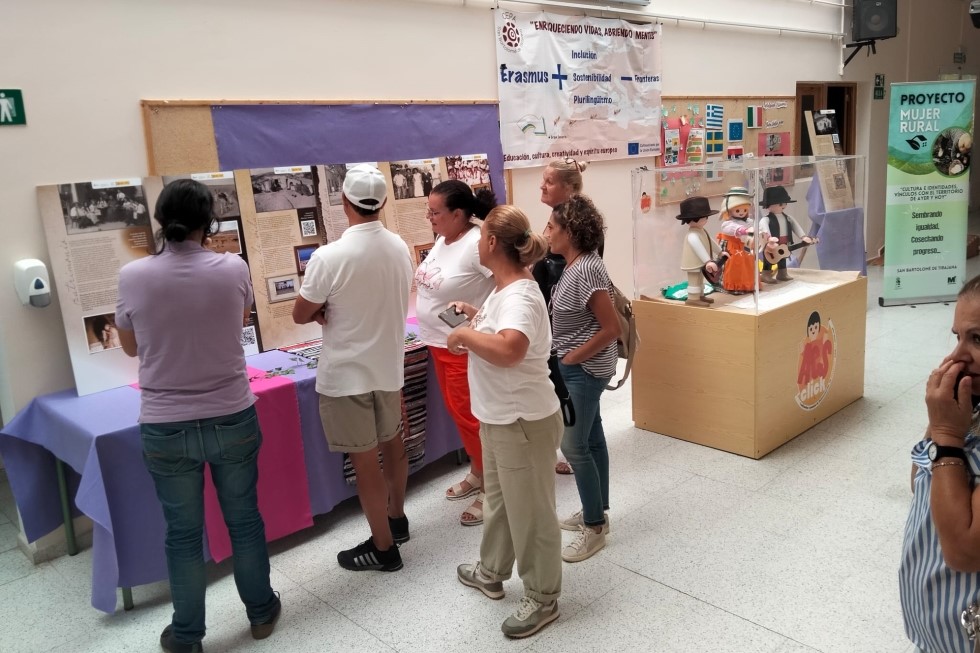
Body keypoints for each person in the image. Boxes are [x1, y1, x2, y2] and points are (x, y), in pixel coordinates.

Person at [114, 179, 281, 653]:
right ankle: (262, 612)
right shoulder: (233, 268)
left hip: (165, 423)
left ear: (161, 221)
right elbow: (239, 319)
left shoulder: (133, 276)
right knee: (244, 520)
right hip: (231, 412)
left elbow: (130, 345)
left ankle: (187, 634)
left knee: (183, 534)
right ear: (210, 222)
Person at [292, 164, 414, 572]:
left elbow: (300, 312)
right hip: (387, 366)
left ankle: (383, 548)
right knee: (393, 445)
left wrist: (323, 307)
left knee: (365, 463)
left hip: (347, 376)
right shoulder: (399, 245)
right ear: (381, 203)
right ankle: (397, 520)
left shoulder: (329, 256)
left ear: (343, 202)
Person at [448, 205, 562, 638]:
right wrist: (475, 317)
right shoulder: (503, 289)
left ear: (493, 243)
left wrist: (462, 335)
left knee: (530, 512)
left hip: (521, 422)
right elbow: (500, 332)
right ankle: (492, 571)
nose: (476, 242)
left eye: (480, 237)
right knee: (498, 501)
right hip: (500, 418)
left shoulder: (518, 294)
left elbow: (511, 348)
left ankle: (543, 596)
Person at [899, 274, 980, 653]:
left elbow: (964, 551)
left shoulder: (956, 426)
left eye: (977, 339)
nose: (957, 356)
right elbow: (919, 483)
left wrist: (948, 436)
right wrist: (938, 422)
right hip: (937, 633)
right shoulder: (970, 408)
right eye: (957, 337)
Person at [414, 180, 497, 526]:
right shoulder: (442, 239)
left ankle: (494, 489)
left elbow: (510, 280)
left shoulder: (476, 243)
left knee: (472, 416)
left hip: (465, 348)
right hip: (438, 344)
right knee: (459, 413)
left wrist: (483, 318)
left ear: (459, 214)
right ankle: (478, 473)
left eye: (435, 212)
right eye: (429, 210)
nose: (429, 217)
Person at [545, 195, 620, 562]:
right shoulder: (575, 265)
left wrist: (571, 358)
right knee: (591, 439)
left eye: (551, 227)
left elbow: (612, 327)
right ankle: (598, 510)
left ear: (570, 232)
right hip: (581, 367)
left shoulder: (586, 269)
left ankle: (594, 528)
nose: (546, 233)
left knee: (574, 447)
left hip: (585, 370)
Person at [535, 157, 591, 476]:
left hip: (567, 317)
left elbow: (569, 272)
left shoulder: (576, 221)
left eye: (550, 182)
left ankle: (575, 446)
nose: (542, 186)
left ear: (568, 187)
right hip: (554, 313)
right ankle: (571, 442)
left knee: (567, 382)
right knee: (558, 380)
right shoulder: (558, 215)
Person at [757, 185, 814, 283]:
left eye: (784, 203)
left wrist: (803, 236)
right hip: (772, 244)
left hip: (784, 241)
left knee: (783, 257)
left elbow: (796, 227)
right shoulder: (766, 219)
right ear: (769, 205)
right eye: (780, 203)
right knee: (769, 259)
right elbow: (764, 229)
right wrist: (769, 239)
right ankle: (766, 274)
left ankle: (782, 273)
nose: (783, 205)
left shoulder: (788, 218)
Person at [677, 195, 724, 307]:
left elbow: (710, 241)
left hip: (701, 263)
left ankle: (700, 296)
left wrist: (720, 252)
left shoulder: (701, 231)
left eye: (706, 217)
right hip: (693, 263)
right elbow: (698, 248)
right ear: (692, 219)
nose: (706, 219)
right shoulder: (692, 235)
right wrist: (708, 261)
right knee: (694, 281)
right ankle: (693, 298)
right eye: (703, 217)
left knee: (700, 279)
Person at [716, 186, 757, 294]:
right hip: (732, 247)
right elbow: (729, 229)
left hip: (746, 247)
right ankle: (733, 286)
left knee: (747, 265)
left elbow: (752, 230)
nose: (741, 212)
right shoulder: (727, 223)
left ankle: (746, 284)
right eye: (737, 210)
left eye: (744, 210)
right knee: (734, 266)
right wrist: (740, 230)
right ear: (729, 210)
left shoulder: (749, 221)